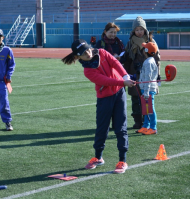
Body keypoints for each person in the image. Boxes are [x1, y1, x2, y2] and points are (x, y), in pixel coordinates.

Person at [62, 39, 136, 174]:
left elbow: (115, 63)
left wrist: (125, 76)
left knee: (121, 128)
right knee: (102, 129)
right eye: (84, 53)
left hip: (119, 95)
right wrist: (123, 82)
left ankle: (122, 160)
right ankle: (98, 157)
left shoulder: (102, 52)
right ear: (77, 57)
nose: (88, 54)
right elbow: (106, 81)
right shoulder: (87, 71)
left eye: (88, 49)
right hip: (104, 99)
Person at [122, 16, 161, 129]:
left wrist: (157, 74)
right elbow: (127, 58)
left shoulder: (150, 41)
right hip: (134, 74)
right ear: (133, 30)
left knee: (146, 99)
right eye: (137, 29)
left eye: (141, 29)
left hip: (147, 74)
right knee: (135, 99)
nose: (139, 32)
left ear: (145, 29)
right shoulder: (130, 43)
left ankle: (147, 122)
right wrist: (126, 75)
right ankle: (138, 121)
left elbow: (157, 59)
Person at [137, 42, 158, 135]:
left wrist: (146, 91)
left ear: (146, 51)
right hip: (146, 88)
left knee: (150, 109)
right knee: (146, 109)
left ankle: (153, 127)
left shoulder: (148, 62)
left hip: (148, 89)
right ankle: (146, 126)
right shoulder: (150, 60)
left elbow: (148, 78)